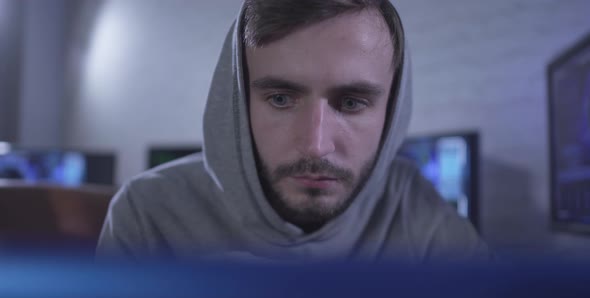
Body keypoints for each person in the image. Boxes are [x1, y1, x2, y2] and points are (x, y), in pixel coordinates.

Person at [97, 0, 490, 262]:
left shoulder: (415, 212)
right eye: (281, 99)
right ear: (237, 101)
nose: (316, 146)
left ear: (392, 109)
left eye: (352, 103)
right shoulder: (150, 214)